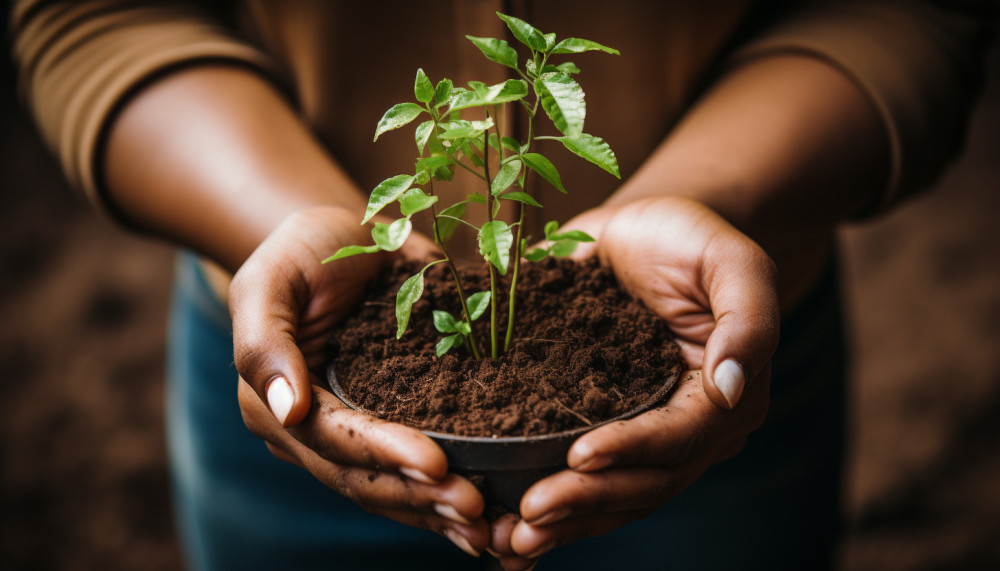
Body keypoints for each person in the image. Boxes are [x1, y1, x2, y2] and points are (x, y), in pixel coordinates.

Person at [11, 1, 992, 569]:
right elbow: (93, 16)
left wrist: (700, 195)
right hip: (296, 370)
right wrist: (298, 224)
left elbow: (912, 13)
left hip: (705, 360)